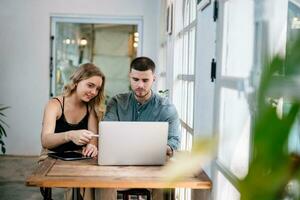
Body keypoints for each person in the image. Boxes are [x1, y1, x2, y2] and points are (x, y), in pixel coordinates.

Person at [103, 56, 181, 199]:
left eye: (145, 80)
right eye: (135, 79)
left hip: (153, 169)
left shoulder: (167, 108)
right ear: (129, 77)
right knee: (102, 185)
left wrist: (167, 148)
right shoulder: (116, 102)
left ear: (154, 79)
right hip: (119, 167)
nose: (140, 85)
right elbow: (107, 133)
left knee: (163, 186)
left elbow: (174, 141)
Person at [40, 63, 106, 200]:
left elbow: (93, 137)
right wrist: (69, 135)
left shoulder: (90, 108)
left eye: (97, 89)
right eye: (90, 85)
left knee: (98, 179)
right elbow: (45, 140)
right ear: (76, 81)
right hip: (52, 156)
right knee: (81, 181)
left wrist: (92, 146)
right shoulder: (55, 104)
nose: (94, 92)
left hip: (78, 157)